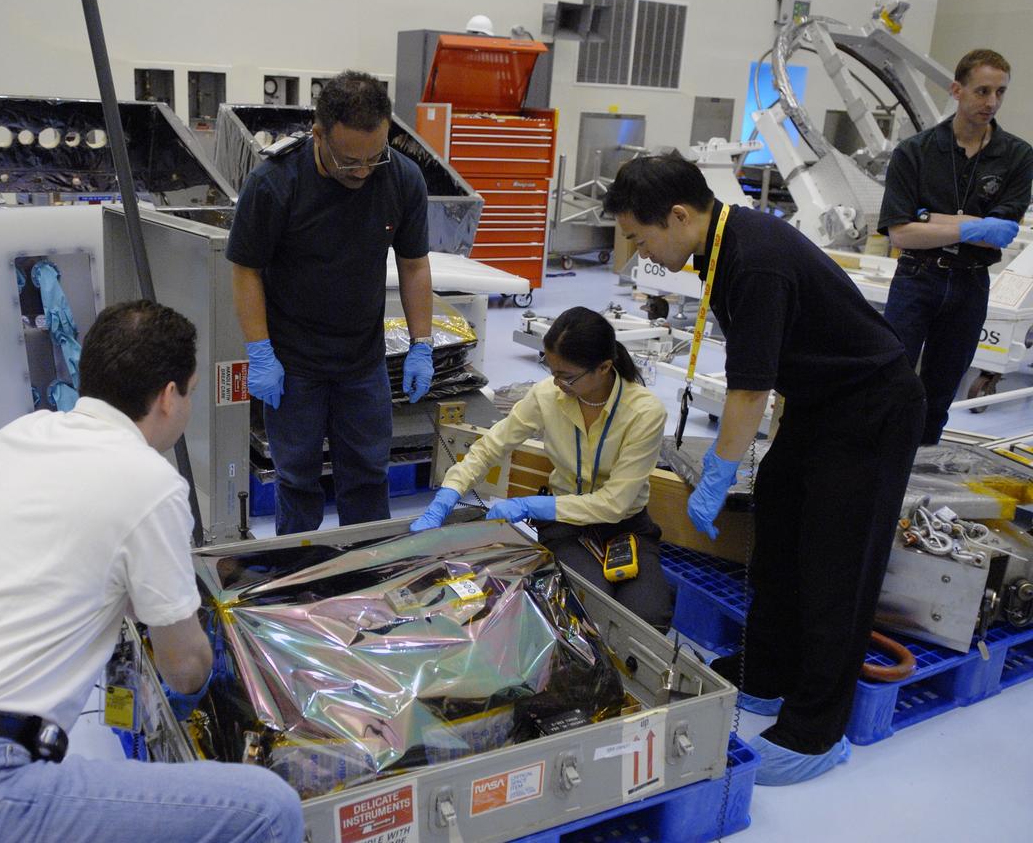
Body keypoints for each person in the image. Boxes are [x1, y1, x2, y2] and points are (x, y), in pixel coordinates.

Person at [0, 301, 303, 843]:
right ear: (170, 396)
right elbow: (184, 671)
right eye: (192, 391)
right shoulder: (150, 484)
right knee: (269, 810)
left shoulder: (17, 438)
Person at [605, 153, 926, 786]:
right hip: (818, 404)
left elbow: (748, 391)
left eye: (641, 238)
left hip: (871, 409)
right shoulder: (723, 245)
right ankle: (768, 672)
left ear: (677, 216)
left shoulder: (753, 261)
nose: (641, 253)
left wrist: (721, 468)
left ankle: (816, 729)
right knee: (779, 540)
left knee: (836, 567)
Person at [227, 70, 434, 536]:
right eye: (348, 161)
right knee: (297, 478)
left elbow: (415, 264)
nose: (362, 172)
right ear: (318, 134)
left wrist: (422, 342)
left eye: (373, 158)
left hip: (363, 362)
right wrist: (260, 351)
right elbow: (245, 270)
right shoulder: (274, 184)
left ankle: (366, 570)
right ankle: (299, 575)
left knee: (367, 476)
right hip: (293, 365)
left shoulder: (401, 178)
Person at [411, 307, 673, 631]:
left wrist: (529, 505)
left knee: (648, 618)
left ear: (604, 367)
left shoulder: (645, 412)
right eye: (551, 370)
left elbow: (615, 503)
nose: (556, 382)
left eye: (567, 376)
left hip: (623, 525)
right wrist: (448, 496)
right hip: (563, 525)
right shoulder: (547, 395)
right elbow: (492, 446)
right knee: (587, 606)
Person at [878, 48, 1033, 444]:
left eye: (1000, 93)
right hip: (917, 277)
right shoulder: (915, 152)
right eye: (982, 91)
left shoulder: (1017, 156)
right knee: (889, 379)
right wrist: (974, 227)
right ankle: (879, 462)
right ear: (957, 90)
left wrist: (929, 218)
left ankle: (922, 458)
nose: (991, 102)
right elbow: (900, 235)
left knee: (941, 389)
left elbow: (1003, 232)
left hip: (970, 283)